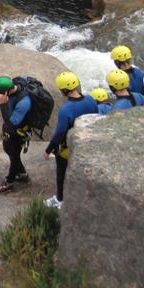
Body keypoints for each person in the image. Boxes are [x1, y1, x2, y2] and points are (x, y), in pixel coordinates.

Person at [43, 72, 98, 209]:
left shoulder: (66, 109)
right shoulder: (91, 100)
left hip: (70, 147)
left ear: (64, 90)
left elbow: (60, 133)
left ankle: (60, 199)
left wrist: (48, 150)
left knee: (61, 173)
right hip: (89, 142)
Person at [0, 76, 31, 194]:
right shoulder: (15, 85)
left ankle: (9, 181)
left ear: (6, 91)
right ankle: (22, 173)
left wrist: (3, 105)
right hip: (11, 130)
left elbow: (12, 124)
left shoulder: (23, 102)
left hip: (18, 132)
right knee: (7, 149)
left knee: (14, 155)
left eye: (0, 93)